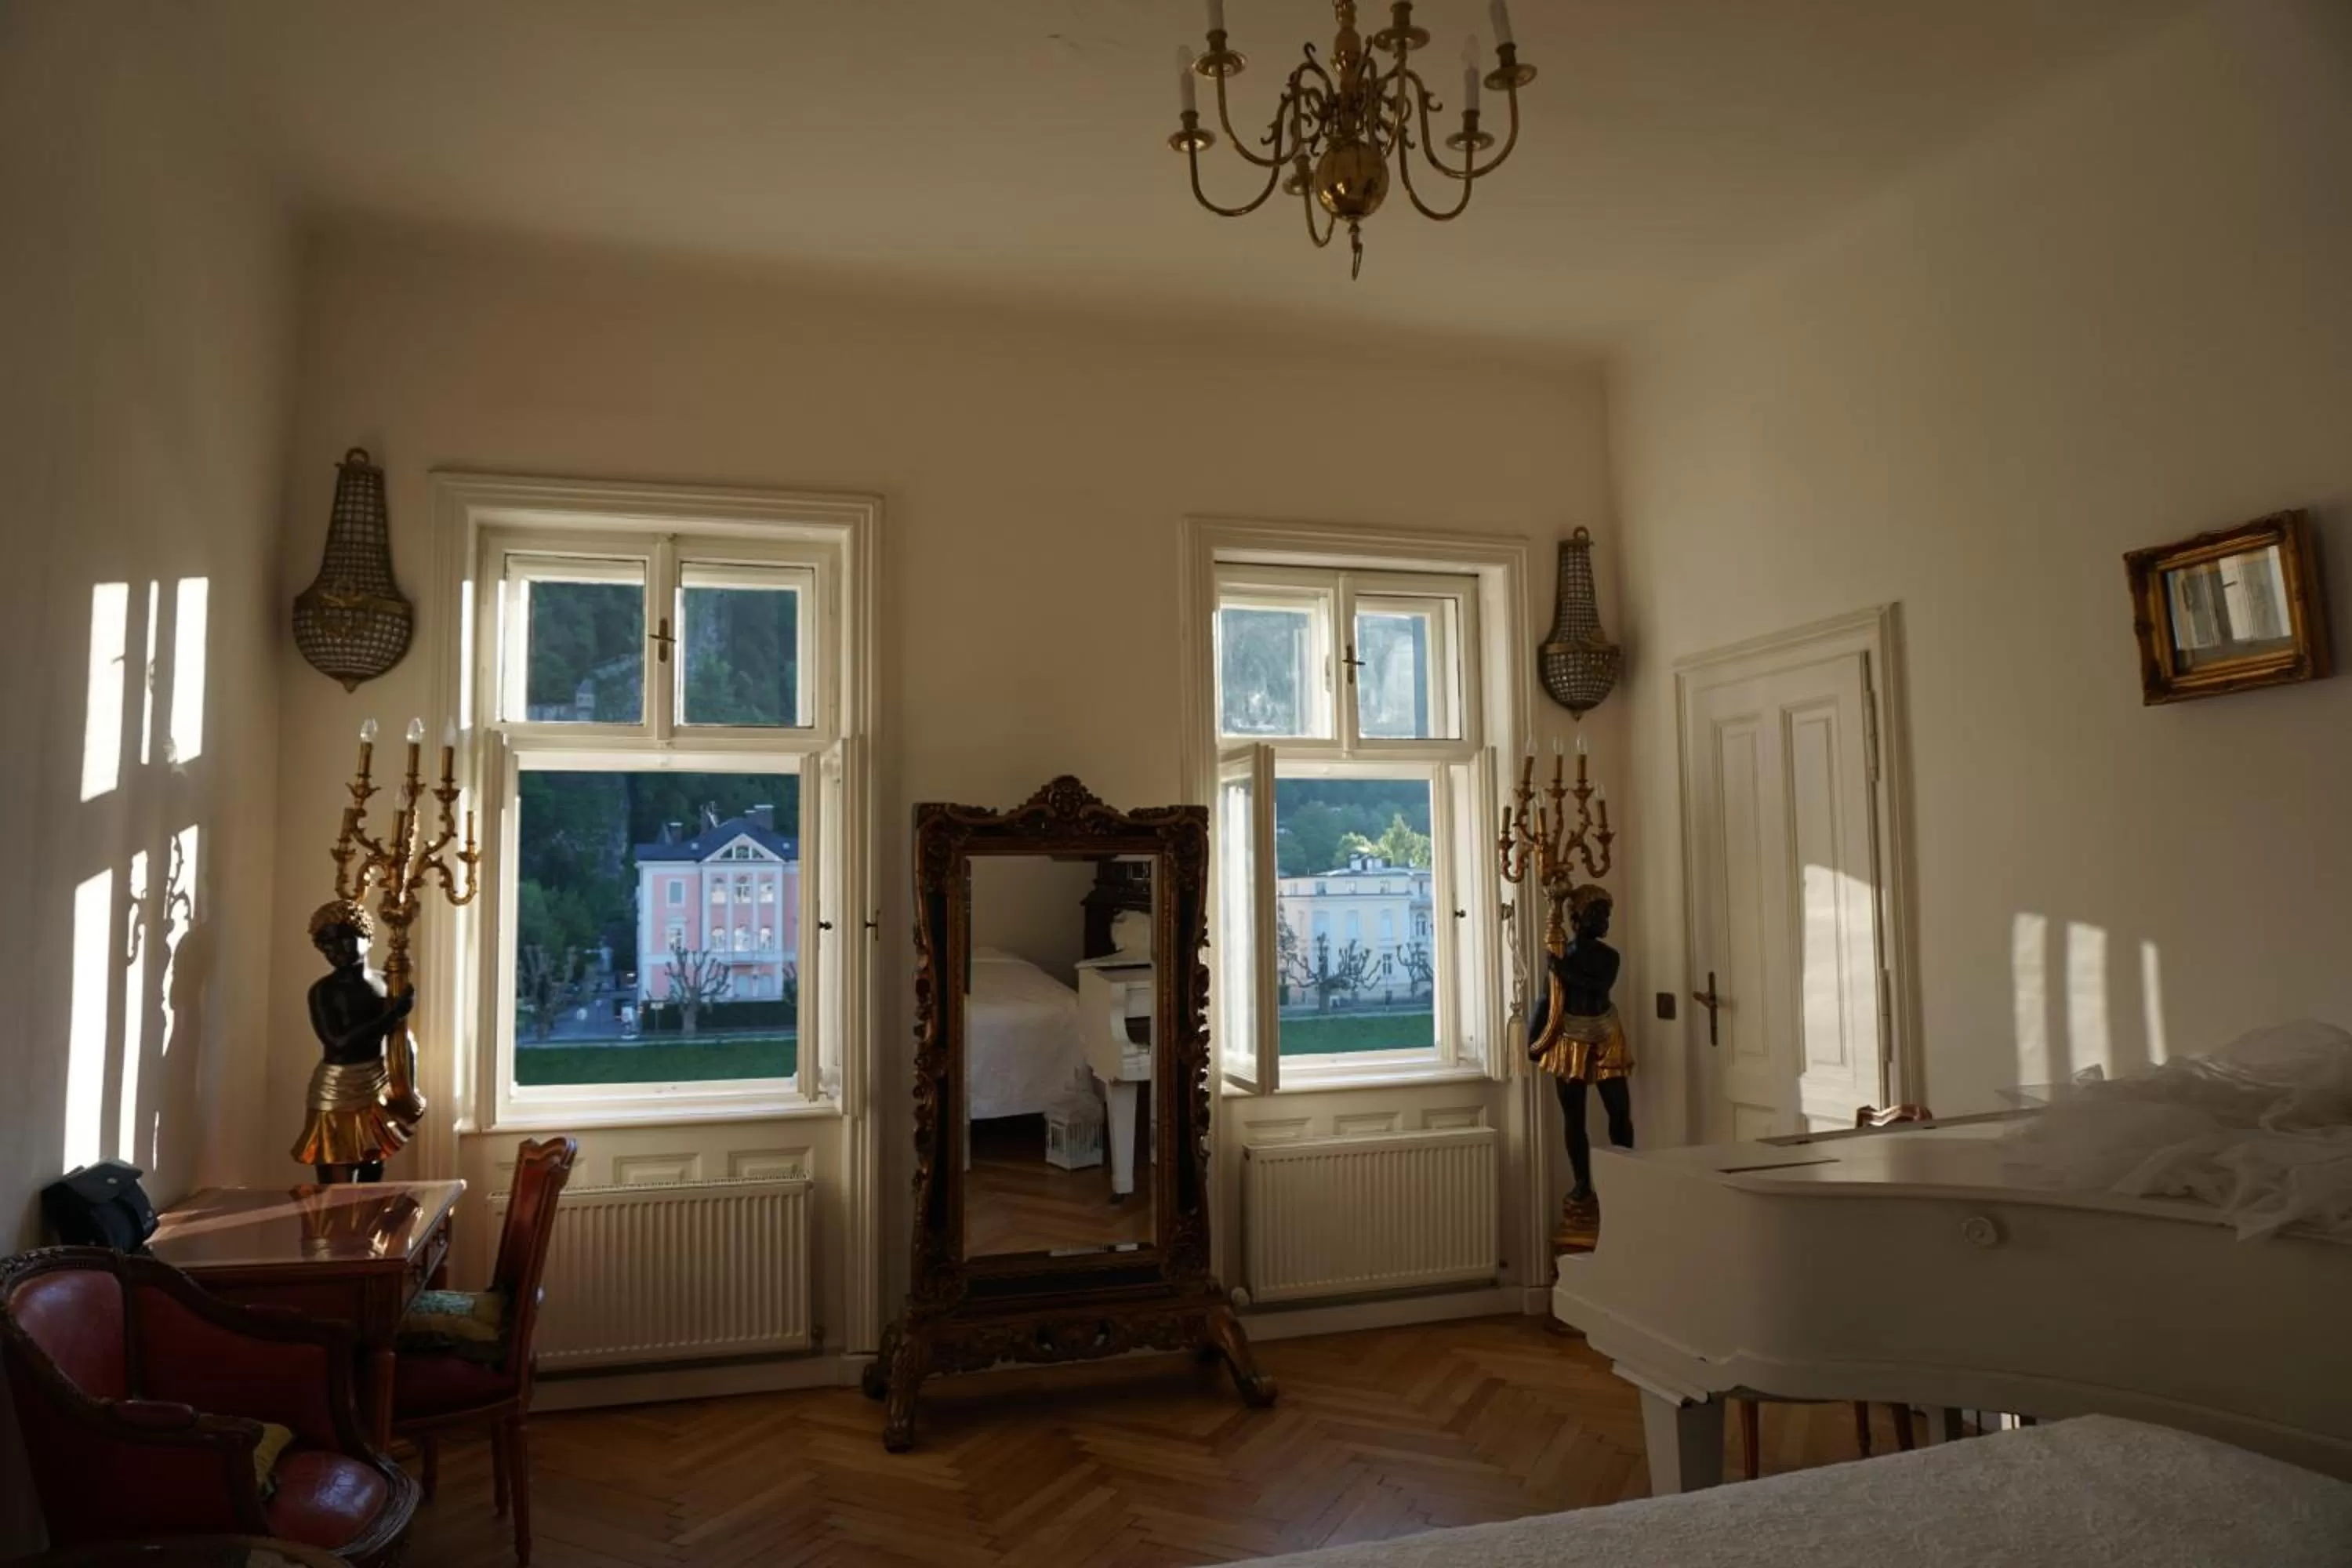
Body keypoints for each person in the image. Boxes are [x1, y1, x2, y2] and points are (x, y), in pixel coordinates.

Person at [291, 899, 423, 1182]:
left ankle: (370, 1226)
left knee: (371, 1169)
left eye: (343, 940)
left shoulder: (385, 982)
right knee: (335, 1180)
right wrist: (394, 1015)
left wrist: (407, 1085)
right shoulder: (323, 991)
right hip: (338, 1089)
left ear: (366, 936)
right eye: (325, 944)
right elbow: (338, 1042)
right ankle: (334, 1227)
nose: (334, 950)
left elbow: (401, 1038)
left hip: (375, 1084)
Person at [1527, 882, 1633, 1210]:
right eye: (1597, 913)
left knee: (1619, 1111)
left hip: (1605, 1035)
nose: (1605, 920)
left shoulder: (1608, 958)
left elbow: (1600, 986)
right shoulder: (1563, 957)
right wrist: (1533, 1039)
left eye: (1607, 914)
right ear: (1577, 919)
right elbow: (1548, 1000)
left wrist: (1563, 971)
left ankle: (1625, 1178)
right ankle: (1582, 1184)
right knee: (1573, 1117)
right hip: (1569, 1039)